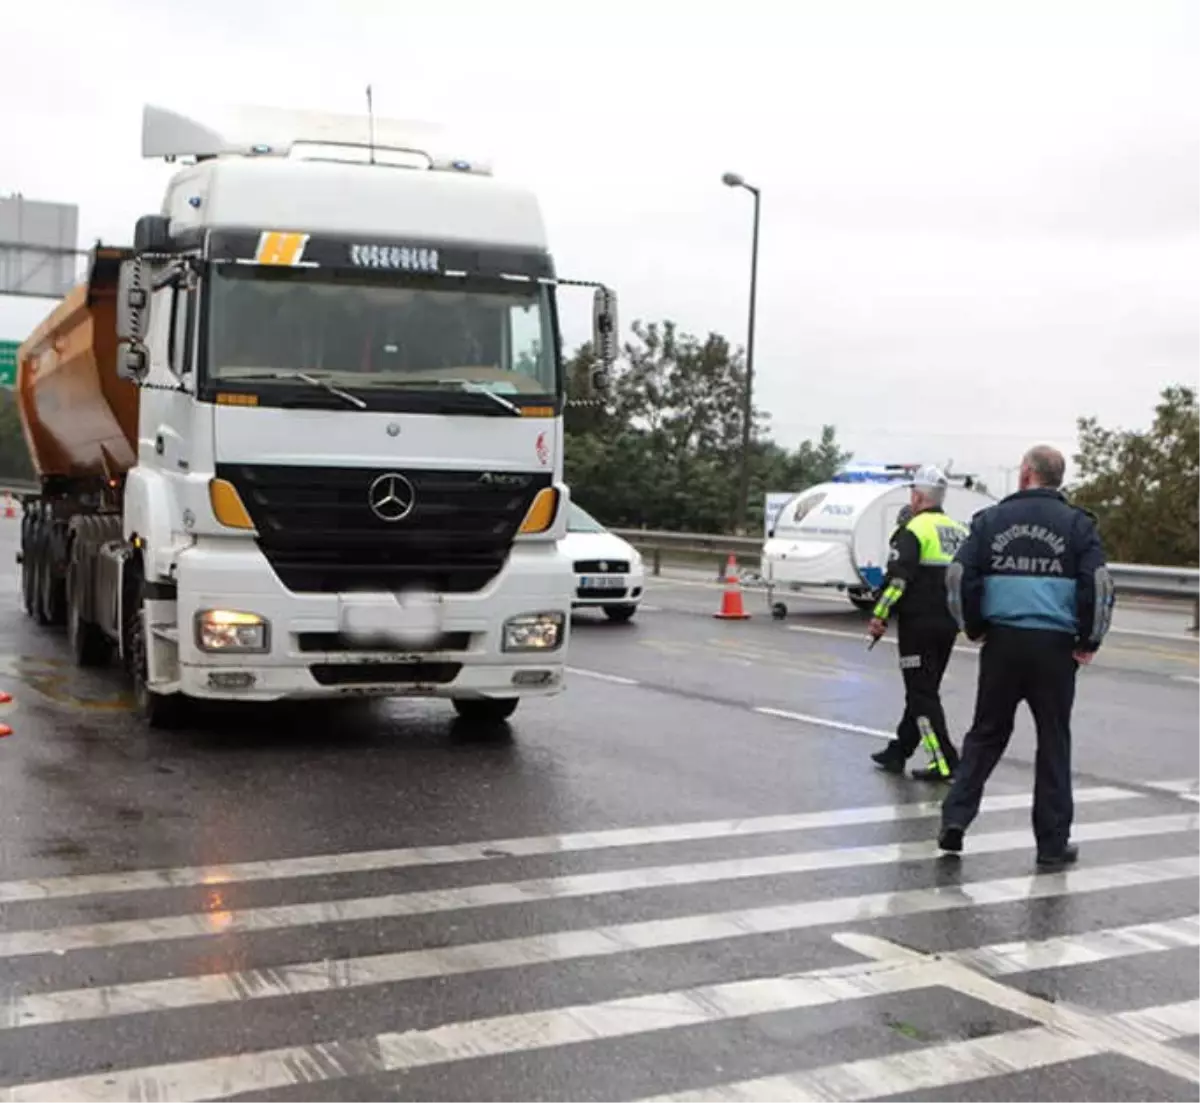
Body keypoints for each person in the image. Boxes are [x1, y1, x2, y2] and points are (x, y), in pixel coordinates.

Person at [940, 444, 1114, 868]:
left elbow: (959, 575)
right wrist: (1089, 640)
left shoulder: (990, 521)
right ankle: (1052, 845)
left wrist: (975, 626)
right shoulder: (1077, 525)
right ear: (1058, 479)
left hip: (1003, 643)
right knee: (1053, 742)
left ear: (1024, 475)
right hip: (1054, 647)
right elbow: (1099, 584)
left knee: (985, 735)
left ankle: (955, 822)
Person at [868, 466, 969, 781]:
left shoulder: (914, 530)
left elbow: (898, 581)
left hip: (919, 625)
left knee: (921, 694)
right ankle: (899, 750)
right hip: (949, 624)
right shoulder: (958, 531)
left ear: (917, 496)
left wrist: (879, 615)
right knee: (924, 690)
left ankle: (944, 760)